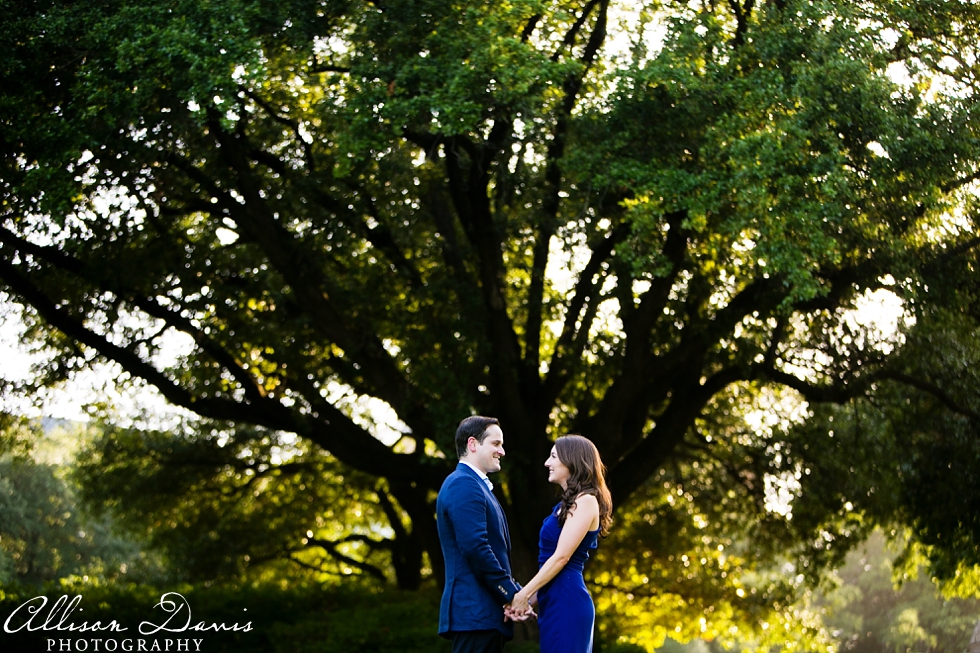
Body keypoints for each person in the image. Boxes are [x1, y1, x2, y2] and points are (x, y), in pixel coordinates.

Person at [506, 435, 613, 653]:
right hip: (553, 602)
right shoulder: (564, 506)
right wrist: (525, 603)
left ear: (572, 461)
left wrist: (523, 594)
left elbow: (561, 558)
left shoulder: (586, 501)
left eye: (553, 456)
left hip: (568, 603)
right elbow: (550, 567)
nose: (547, 462)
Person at [437, 416, 524, 653]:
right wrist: (510, 593)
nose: (502, 451)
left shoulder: (476, 486)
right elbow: (476, 548)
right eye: (496, 444)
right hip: (475, 615)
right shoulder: (463, 484)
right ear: (473, 444)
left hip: (483, 617)